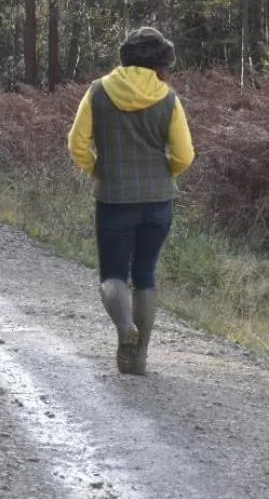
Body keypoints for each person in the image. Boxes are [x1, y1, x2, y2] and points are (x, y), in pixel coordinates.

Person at [66, 27, 195, 375]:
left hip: (113, 199)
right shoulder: (169, 99)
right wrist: (165, 172)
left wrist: (99, 170)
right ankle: (139, 360)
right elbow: (184, 154)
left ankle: (125, 330)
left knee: (112, 274)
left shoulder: (98, 91)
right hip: (158, 202)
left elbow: (77, 144)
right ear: (160, 65)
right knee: (145, 274)